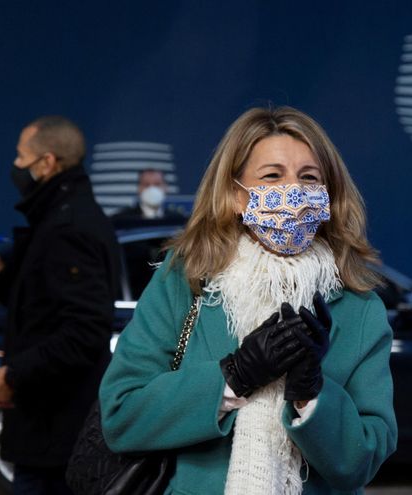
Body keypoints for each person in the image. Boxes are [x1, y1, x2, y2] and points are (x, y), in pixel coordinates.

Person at [99, 106, 397, 494]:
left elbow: (362, 462)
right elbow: (122, 415)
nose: (292, 190)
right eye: (272, 176)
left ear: (326, 197)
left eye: (309, 177)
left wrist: (312, 393)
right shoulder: (185, 281)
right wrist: (235, 376)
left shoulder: (360, 309)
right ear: (236, 196)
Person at [0, 115, 122, 495]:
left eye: (20, 157)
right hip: (48, 435)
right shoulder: (58, 218)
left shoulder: (70, 227)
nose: (15, 166)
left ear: (46, 163)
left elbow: (83, 332)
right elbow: (43, 307)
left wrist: (13, 375)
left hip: (58, 437)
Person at [111, 168, 187, 222]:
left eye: (157, 184)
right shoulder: (123, 219)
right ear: (139, 189)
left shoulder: (177, 220)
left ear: (165, 188)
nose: (152, 189)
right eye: (146, 185)